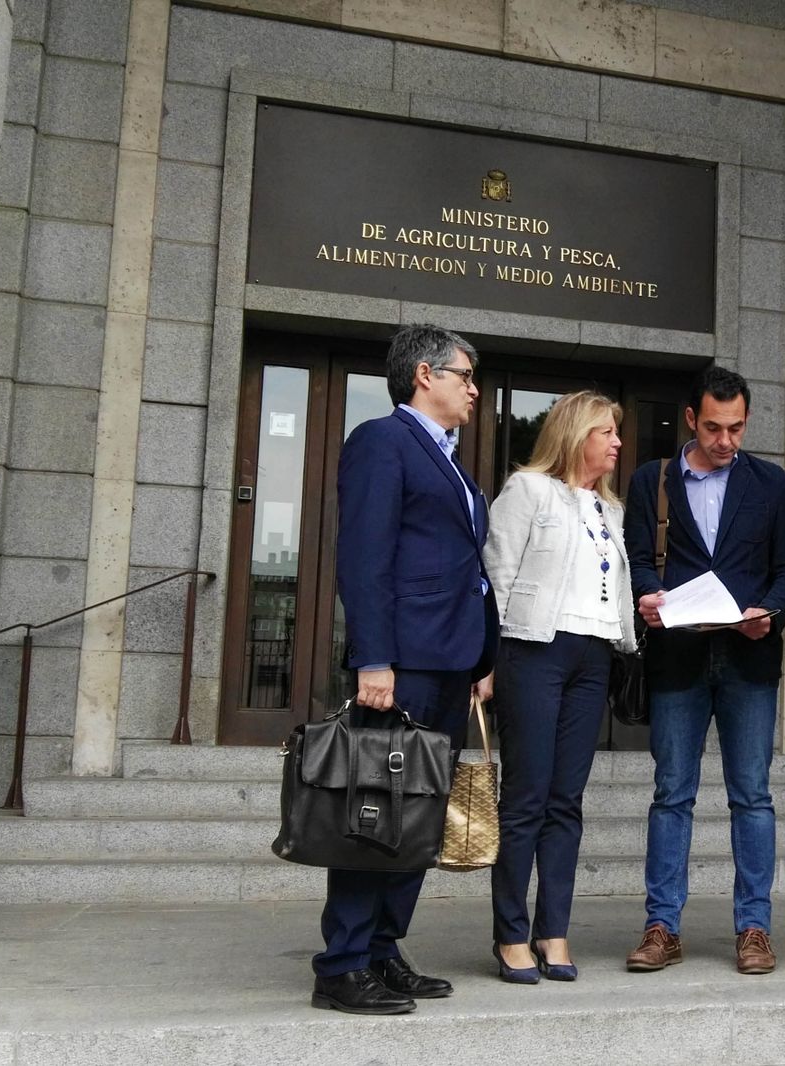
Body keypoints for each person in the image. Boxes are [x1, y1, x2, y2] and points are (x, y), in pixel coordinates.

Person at [314, 324, 498, 1015]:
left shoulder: (449, 458)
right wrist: (374, 659)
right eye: (464, 375)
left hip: (449, 664)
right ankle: (342, 964)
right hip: (402, 665)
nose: (474, 389)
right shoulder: (381, 442)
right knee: (375, 810)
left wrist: (481, 658)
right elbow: (363, 559)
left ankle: (385, 952)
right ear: (425, 374)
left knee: (416, 816)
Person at [621, 366, 785, 975]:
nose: (727, 440)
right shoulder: (653, 480)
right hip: (678, 658)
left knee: (752, 796)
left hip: (749, 657)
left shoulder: (772, 484)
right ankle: (661, 927)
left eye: (738, 428)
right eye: (716, 427)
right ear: (692, 420)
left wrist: (771, 614)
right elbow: (639, 560)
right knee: (672, 794)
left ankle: (754, 929)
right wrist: (648, 595)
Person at [481, 391, 638, 984]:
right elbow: (496, 573)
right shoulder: (528, 490)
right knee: (525, 799)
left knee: (566, 802)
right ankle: (511, 935)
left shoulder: (610, 509)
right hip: (534, 651)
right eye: (606, 431)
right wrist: (487, 660)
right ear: (575, 434)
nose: (617, 442)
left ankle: (554, 931)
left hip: (593, 656)